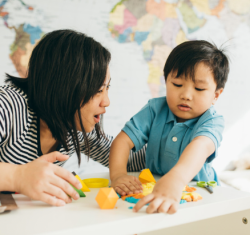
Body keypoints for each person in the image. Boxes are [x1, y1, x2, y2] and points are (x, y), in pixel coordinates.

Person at [0, 29, 146, 206]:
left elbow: (129, 159)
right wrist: (17, 176)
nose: (106, 101)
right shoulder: (8, 104)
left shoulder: (72, 127)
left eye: (107, 88)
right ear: (64, 87)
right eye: (99, 90)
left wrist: (182, 141)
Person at [109, 40, 230, 214]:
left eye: (199, 88)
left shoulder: (212, 121)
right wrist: (118, 175)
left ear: (216, 95)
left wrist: (176, 179)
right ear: (166, 82)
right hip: (155, 185)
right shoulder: (154, 109)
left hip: (202, 195)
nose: (186, 95)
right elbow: (122, 141)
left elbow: (200, 147)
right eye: (177, 85)